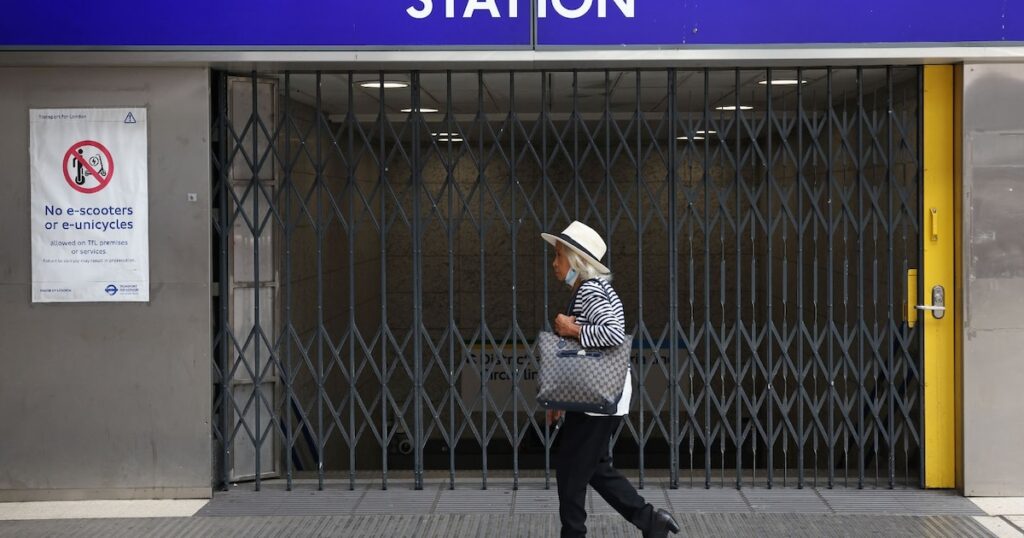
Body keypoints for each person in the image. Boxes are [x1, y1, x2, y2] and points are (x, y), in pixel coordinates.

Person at [541, 221, 681, 538]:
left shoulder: (590, 289)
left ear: (576, 260)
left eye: (559, 256)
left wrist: (570, 328)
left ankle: (574, 534)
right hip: (598, 396)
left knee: (571, 472)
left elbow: (613, 335)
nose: (554, 263)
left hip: (597, 399)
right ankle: (651, 522)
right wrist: (560, 400)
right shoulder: (592, 287)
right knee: (596, 469)